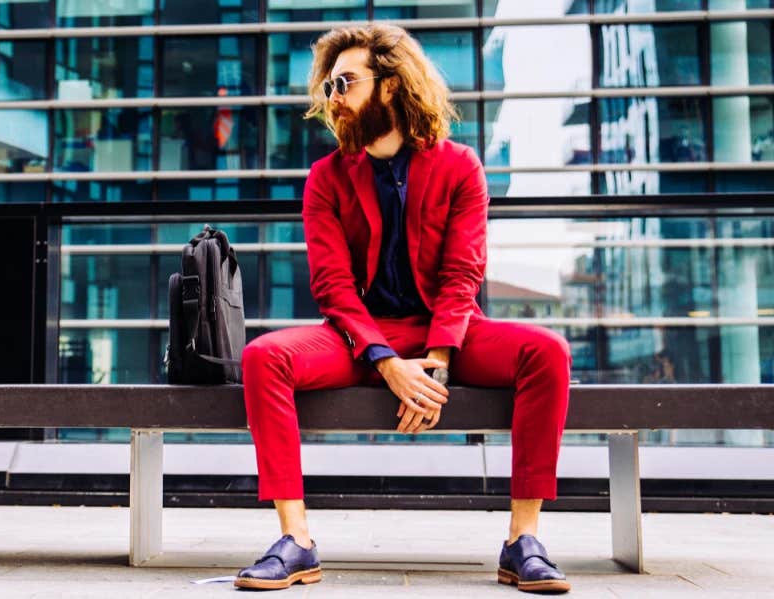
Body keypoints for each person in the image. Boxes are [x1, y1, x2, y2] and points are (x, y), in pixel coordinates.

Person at [235, 24, 572, 594]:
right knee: (265, 356)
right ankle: (296, 542)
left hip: (449, 333)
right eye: (328, 85)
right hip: (359, 340)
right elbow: (333, 287)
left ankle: (523, 541)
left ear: (391, 86)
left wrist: (437, 361)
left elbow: (463, 273)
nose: (332, 96)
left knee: (548, 351)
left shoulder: (460, 165)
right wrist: (389, 363)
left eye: (346, 82)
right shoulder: (325, 178)